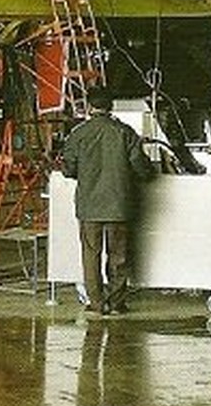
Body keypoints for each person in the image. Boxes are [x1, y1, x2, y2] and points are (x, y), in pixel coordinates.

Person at [62, 88, 156, 316]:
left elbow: (68, 168)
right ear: (111, 106)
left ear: (89, 106)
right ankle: (116, 304)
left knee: (90, 254)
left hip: (89, 206)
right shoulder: (125, 132)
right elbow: (141, 168)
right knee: (119, 255)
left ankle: (96, 304)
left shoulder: (78, 133)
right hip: (119, 204)